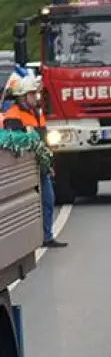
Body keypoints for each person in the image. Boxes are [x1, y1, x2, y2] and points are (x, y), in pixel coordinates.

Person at [3, 74, 66, 249]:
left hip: (40, 166)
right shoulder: (13, 116)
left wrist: (50, 163)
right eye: (31, 94)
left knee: (48, 200)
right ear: (22, 96)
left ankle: (47, 236)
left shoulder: (37, 113)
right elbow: (17, 145)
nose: (35, 96)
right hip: (24, 169)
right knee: (24, 206)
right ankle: (24, 240)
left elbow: (44, 141)